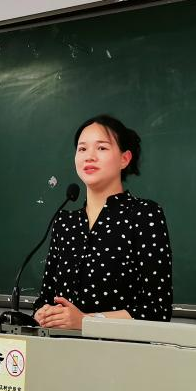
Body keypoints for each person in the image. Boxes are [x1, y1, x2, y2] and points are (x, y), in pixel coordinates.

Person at [32, 115, 173, 329]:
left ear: (124, 159)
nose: (89, 156)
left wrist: (86, 321)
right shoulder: (65, 222)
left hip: (118, 347)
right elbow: (46, 297)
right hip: (60, 346)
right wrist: (42, 312)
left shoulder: (144, 214)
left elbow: (157, 310)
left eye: (102, 148)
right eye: (82, 149)